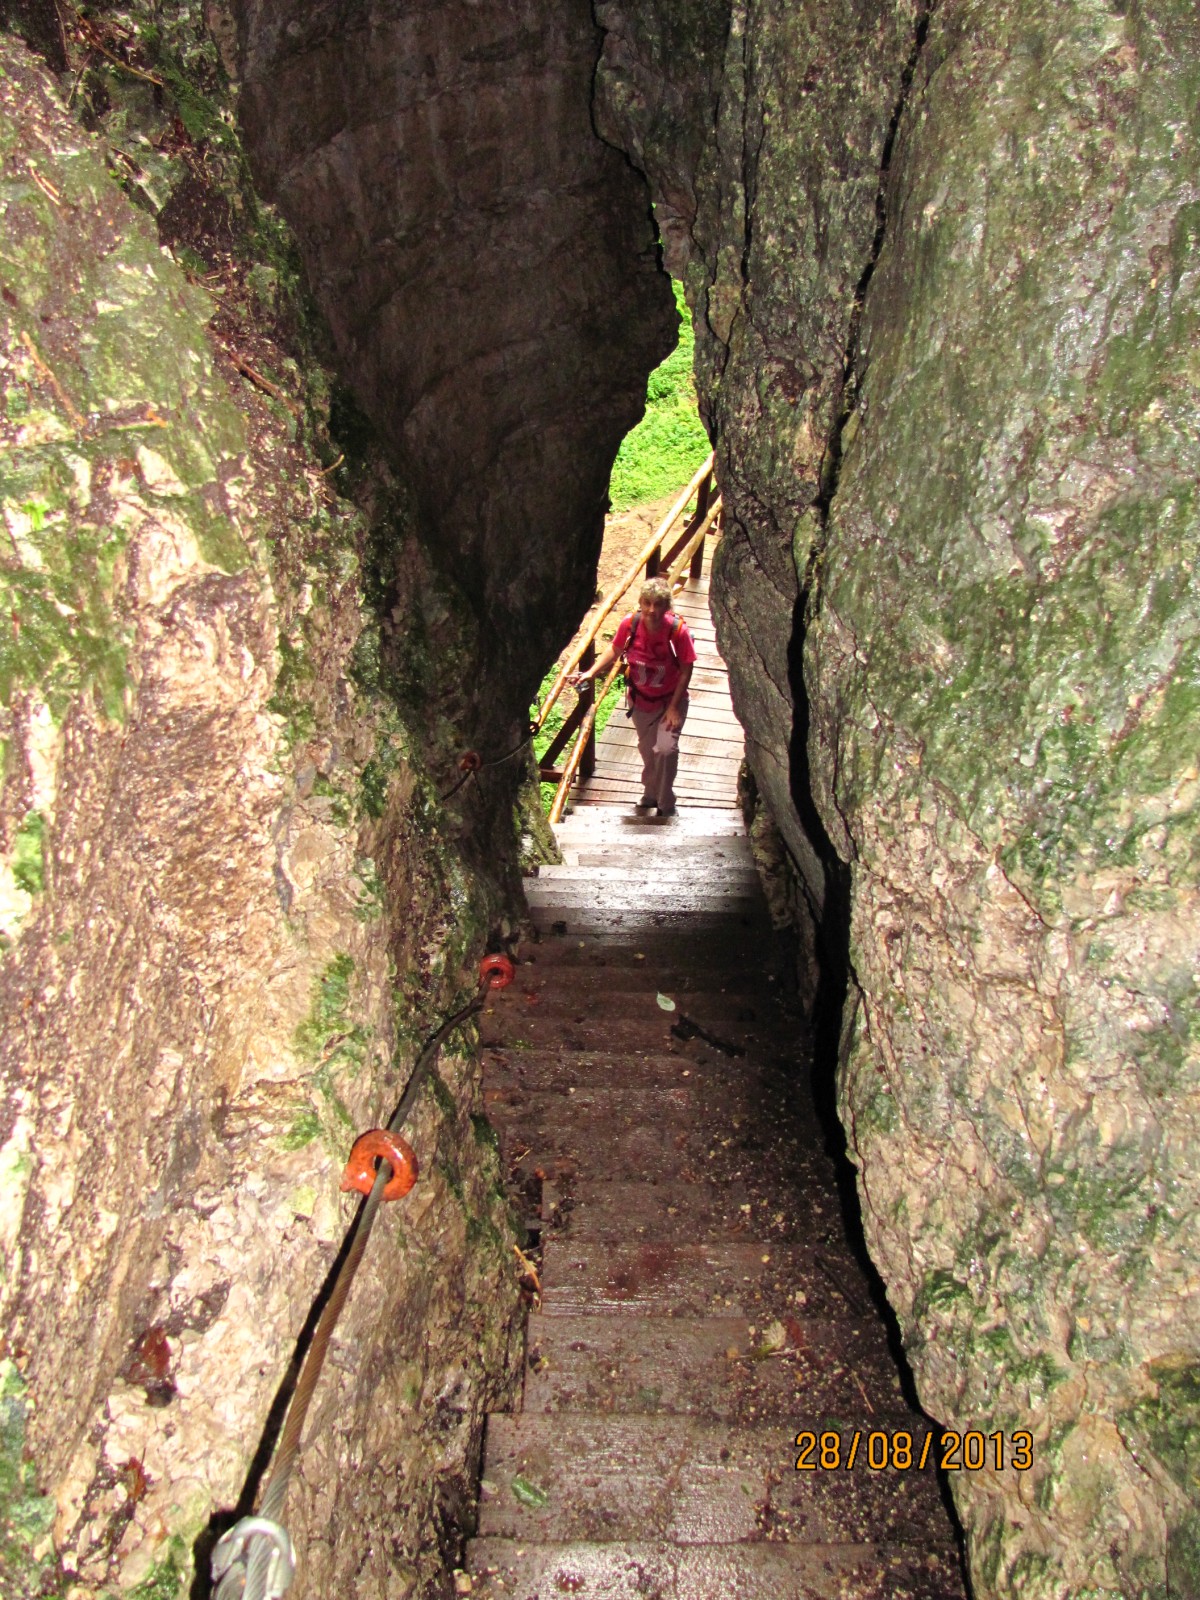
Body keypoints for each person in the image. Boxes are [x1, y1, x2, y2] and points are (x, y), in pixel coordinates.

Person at [569, 577, 696, 817]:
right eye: (647, 603)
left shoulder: (677, 632)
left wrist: (673, 707)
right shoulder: (631, 624)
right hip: (640, 700)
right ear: (640, 602)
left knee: (665, 750)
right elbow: (615, 649)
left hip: (670, 700)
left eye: (658, 604)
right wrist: (591, 672)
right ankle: (650, 795)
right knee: (648, 751)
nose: (651, 610)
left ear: (667, 606)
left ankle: (666, 805)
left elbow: (686, 669)